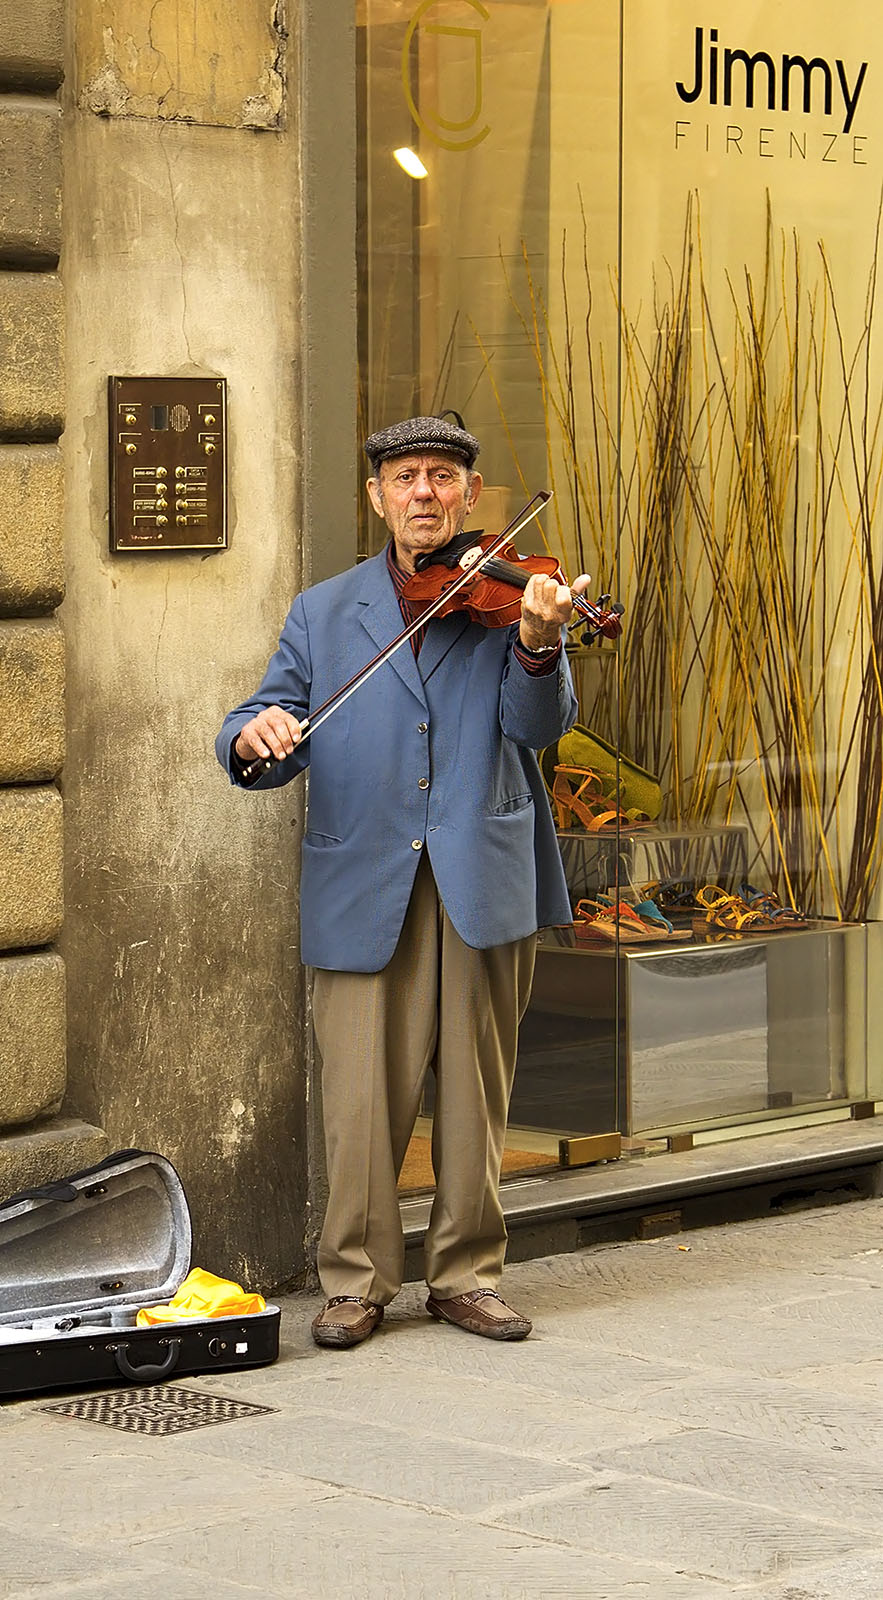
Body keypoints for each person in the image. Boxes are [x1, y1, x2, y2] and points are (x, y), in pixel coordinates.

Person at [216, 415, 587, 1348]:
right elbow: (269, 708)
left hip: (479, 868)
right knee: (357, 1097)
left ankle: (465, 1274)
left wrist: (541, 642)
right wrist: (251, 733)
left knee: (474, 1092)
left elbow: (537, 726)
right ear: (375, 496)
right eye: (404, 477)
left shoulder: (512, 597)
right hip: (363, 874)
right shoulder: (324, 610)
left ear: (469, 495)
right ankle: (356, 1280)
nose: (422, 492)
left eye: (441, 476)